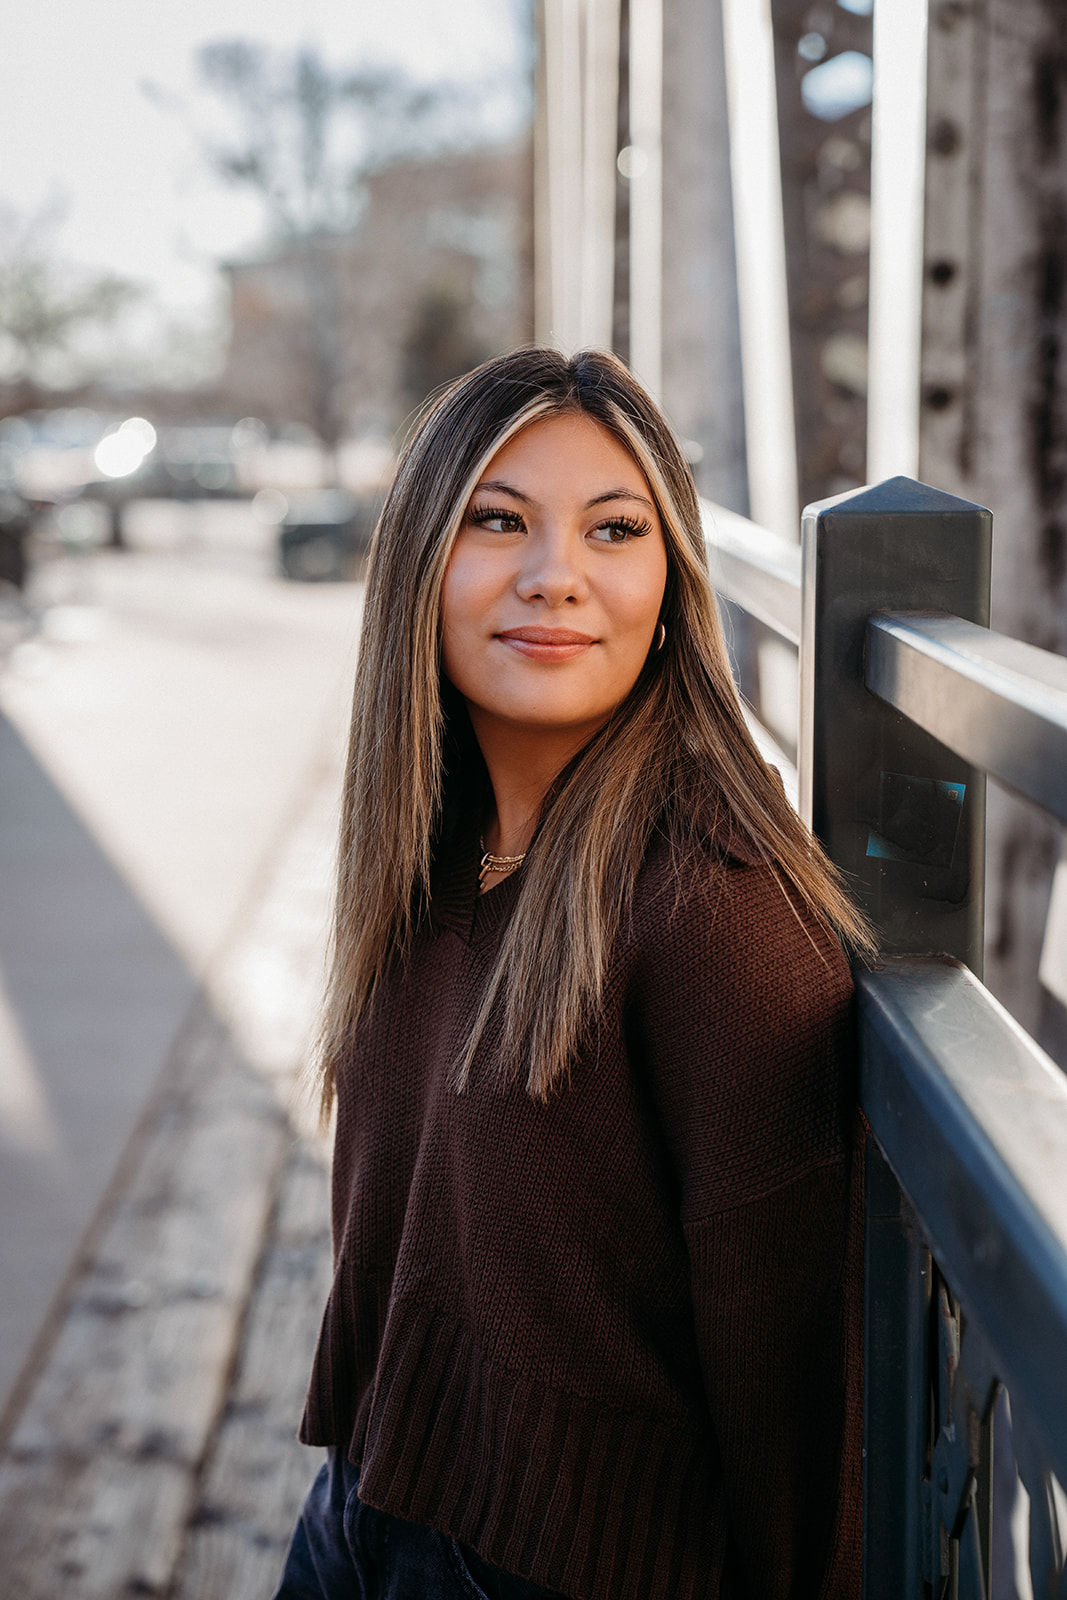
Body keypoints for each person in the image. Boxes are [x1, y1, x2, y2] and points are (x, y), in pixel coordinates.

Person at [274, 347, 871, 1600]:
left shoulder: (709, 898)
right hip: (361, 1508)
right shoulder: (430, 843)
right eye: (498, 520)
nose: (557, 579)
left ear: (667, 582)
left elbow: (794, 1387)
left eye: (615, 528)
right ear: (418, 563)